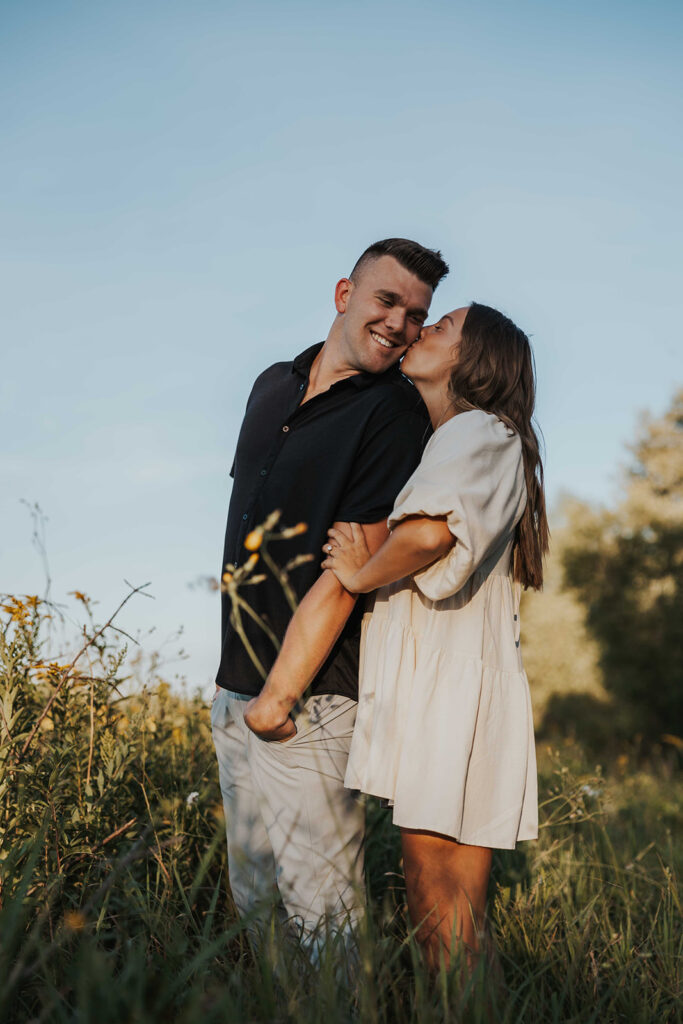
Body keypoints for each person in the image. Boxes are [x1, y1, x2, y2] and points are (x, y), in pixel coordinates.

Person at [211, 238, 449, 952]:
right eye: (387, 301)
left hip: (309, 698)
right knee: (253, 900)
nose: (400, 324)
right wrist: (238, 690)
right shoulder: (270, 386)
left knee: (324, 915)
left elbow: (355, 564)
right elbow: (247, 516)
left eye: (417, 314)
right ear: (344, 294)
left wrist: (278, 702)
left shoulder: (393, 413)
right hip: (233, 684)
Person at [320, 302, 548, 971]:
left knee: (437, 914)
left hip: (445, 689)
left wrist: (359, 575)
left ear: (473, 360)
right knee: (458, 919)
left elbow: (426, 534)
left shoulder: (473, 429)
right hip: (465, 682)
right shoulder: (486, 438)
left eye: (441, 327)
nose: (420, 331)